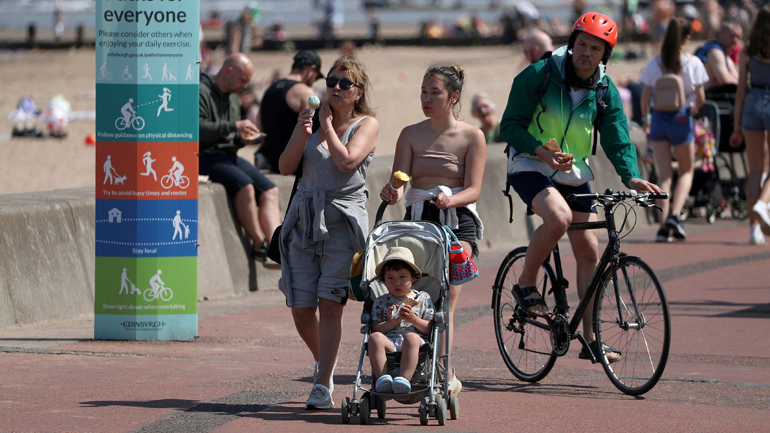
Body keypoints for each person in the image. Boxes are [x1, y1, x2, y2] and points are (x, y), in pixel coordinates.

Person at [499, 12, 663, 362]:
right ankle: (526, 282)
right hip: (529, 162)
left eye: (595, 48)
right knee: (557, 219)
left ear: (605, 55)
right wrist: (541, 150)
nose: (586, 53)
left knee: (589, 249)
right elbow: (509, 125)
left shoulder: (605, 88)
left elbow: (619, 139)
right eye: (582, 44)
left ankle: (590, 339)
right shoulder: (540, 74)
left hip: (572, 169)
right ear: (572, 44)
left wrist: (630, 176)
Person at [277, 56, 379, 410]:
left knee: (329, 305)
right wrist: (302, 131)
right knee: (300, 307)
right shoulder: (310, 121)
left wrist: (327, 128)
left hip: (342, 222)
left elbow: (347, 162)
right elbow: (286, 166)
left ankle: (321, 384)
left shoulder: (367, 124)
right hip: (304, 220)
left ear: (358, 93)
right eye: (331, 81)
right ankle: (328, 363)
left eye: (344, 84)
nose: (335, 88)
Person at [379, 64, 486, 396]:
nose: (426, 98)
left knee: (446, 302)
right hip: (419, 218)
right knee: (416, 293)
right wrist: (392, 192)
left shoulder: (472, 136)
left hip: (457, 221)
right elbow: (401, 181)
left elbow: (474, 189)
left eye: (434, 92)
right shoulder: (410, 133)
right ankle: (415, 359)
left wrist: (450, 198)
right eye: (423, 92)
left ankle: (445, 368)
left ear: (453, 97)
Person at [199, 53, 281, 267]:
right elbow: (197, 130)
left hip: (228, 155)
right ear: (229, 71)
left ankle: (276, 248)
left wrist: (243, 139)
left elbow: (230, 137)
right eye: (243, 79)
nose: (245, 86)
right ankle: (259, 245)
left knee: (270, 190)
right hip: (204, 155)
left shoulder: (234, 97)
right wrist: (234, 127)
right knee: (245, 186)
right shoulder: (201, 91)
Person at [640, 17, 708, 243]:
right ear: (687, 38)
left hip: (659, 118)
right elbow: (700, 97)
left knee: (664, 175)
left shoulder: (657, 62)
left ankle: (662, 226)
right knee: (687, 171)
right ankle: (676, 216)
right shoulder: (692, 63)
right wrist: (693, 111)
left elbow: (645, 95)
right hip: (681, 117)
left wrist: (647, 118)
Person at [369, 247, 435, 395]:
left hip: (416, 341)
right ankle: (382, 379)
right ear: (384, 280)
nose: (396, 283)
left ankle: (403, 380)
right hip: (390, 341)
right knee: (374, 337)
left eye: (402, 277)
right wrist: (390, 323)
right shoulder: (381, 301)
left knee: (411, 337)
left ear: (413, 278)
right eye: (390, 278)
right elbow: (375, 328)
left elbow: (430, 328)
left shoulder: (423, 298)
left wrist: (414, 319)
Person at [730, 5, 770, 245]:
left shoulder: (747, 51)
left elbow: (740, 91)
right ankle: (763, 204)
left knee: (754, 169)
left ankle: (753, 229)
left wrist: (736, 127)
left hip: (752, 103)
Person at [257, 50, 325, 173]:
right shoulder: (304, 92)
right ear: (311, 69)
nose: (314, 81)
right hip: (294, 165)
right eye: (316, 76)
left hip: (272, 161)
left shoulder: (270, 88)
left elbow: (258, 125)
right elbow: (315, 130)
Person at [695, 21, 743, 89]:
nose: (735, 40)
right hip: (709, 97)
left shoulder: (724, 55)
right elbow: (726, 82)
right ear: (720, 33)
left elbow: (738, 80)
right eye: (732, 36)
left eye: (738, 37)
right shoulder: (715, 53)